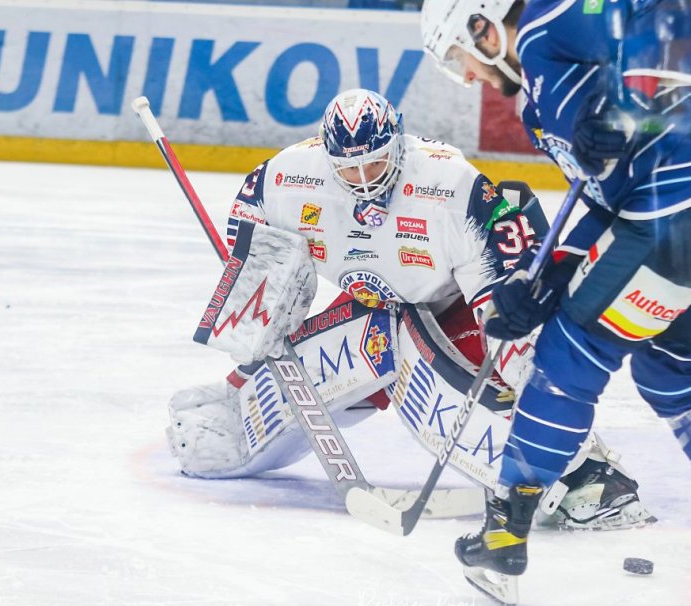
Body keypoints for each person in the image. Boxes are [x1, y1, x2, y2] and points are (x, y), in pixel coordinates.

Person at [421, 0, 691, 606]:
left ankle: (503, 534)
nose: (469, 76)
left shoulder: (548, 19)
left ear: (481, 25)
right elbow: (606, 201)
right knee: (675, 375)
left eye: (460, 58)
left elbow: (665, 7)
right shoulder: (539, 100)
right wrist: (543, 277)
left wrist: (627, 107)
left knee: (568, 357)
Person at [166, 87, 655, 531]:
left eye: (375, 164)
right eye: (349, 169)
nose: (363, 181)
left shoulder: (450, 185)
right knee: (275, 389)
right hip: (371, 308)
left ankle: (584, 471)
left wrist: (519, 357)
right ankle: (238, 410)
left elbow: (503, 298)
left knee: (515, 357)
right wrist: (258, 313)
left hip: (454, 307)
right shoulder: (288, 178)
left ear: (397, 146)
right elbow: (252, 237)